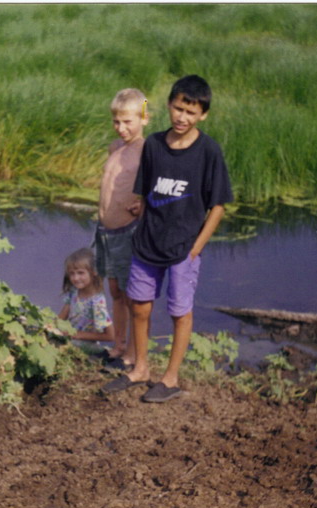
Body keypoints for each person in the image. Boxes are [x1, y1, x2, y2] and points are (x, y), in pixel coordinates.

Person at [101, 74, 234, 403]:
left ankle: (171, 378)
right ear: (169, 106)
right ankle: (140, 368)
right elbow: (146, 192)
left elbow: (218, 206)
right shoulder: (155, 145)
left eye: (191, 112)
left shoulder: (208, 152)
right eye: (177, 109)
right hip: (146, 244)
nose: (182, 117)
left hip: (181, 249)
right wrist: (140, 207)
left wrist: (196, 248)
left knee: (179, 312)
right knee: (140, 307)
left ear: (203, 114)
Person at [94, 88, 149, 370]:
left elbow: (156, 187)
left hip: (128, 231)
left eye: (128, 122)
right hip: (105, 230)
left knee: (131, 293)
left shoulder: (147, 151)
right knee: (114, 289)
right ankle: (119, 344)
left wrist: (146, 203)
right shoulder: (115, 147)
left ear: (144, 118)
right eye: (117, 122)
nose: (122, 128)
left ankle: (133, 355)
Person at [58, 247, 115, 354]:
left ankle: (104, 352)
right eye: (72, 273)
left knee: (69, 344)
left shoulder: (97, 302)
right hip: (70, 336)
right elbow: (61, 318)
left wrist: (78, 334)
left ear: (93, 272)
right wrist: (49, 327)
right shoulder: (74, 292)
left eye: (80, 273)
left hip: (86, 343)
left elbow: (110, 336)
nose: (75, 278)